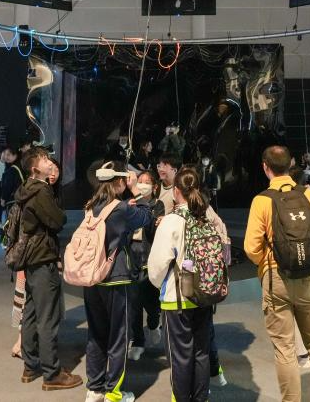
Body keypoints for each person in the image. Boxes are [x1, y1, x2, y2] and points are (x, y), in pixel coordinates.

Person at [244, 146, 310, 402]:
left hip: (276, 280)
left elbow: (251, 248)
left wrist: (267, 267)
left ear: (265, 167)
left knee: (285, 351)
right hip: (309, 278)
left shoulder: (262, 201)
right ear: (291, 165)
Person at [147, 169, 221, 401]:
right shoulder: (207, 217)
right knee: (201, 353)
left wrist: (160, 285)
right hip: (205, 295)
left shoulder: (171, 221)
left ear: (176, 191)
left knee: (180, 357)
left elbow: (157, 266)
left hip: (177, 299)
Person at [82, 163, 151, 402]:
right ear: (119, 182)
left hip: (92, 278)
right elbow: (146, 216)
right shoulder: (120, 208)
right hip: (116, 278)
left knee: (96, 334)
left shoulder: (91, 206)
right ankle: (113, 392)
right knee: (118, 337)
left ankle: (95, 388)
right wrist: (137, 191)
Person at [15, 148, 82, 391]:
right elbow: (57, 220)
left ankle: (30, 365)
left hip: (30, 258)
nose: (49, 163)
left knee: (31, 313)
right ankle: (52, 374)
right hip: (43, 257)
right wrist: (58, 212)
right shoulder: (42, 190)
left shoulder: (26, 188)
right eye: (44, 160)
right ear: (35, 169)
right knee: (47, 318)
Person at [128, 170, 164, 360]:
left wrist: (143, 205)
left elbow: (151, 229)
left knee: (151, 301)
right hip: (132, 254)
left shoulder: (158, 206)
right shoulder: (130, 203)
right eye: (139, 181)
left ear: (154, 187)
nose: (141, 184)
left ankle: (153, 323)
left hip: (149, 256)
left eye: (146, 182)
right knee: (134, 302)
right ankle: (138, 341)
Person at [0, 146, 26, 226]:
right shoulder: (21, 165)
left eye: (9, 155)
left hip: (13, 200)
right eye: (5, 154)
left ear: (15, 155)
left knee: (12, 222)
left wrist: (3, 199)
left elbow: (7, 187)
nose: (6, 157)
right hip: (22, 198)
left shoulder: (12, 170)